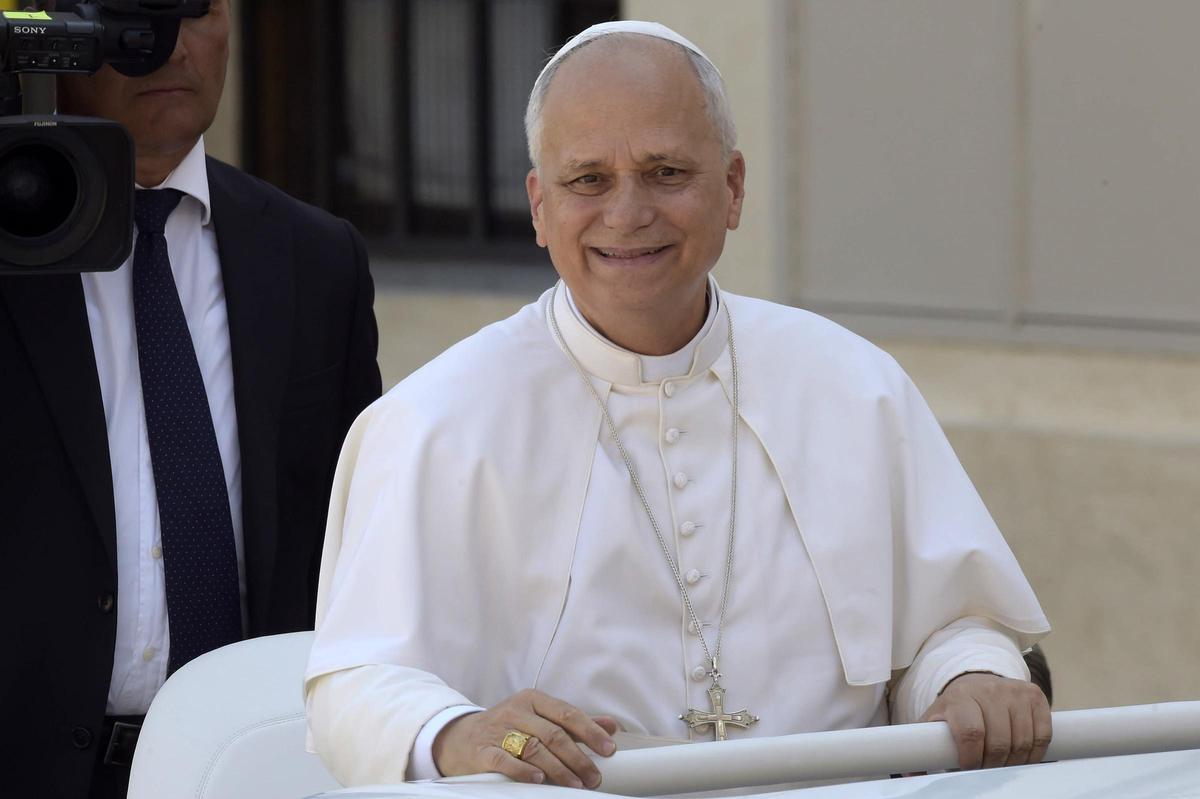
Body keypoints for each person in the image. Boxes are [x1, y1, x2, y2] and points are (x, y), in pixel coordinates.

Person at [304, 20, 1050, 791]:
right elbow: (358, 683)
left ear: (733, 187)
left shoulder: (853, 385)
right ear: (538, 206)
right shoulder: (435, 421)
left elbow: (949, 628)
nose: (627, 213)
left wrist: (970, 677)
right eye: (587, 179)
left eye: (665, 172)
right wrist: (455, 732)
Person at [0, 1, 382, 797]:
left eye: (196, 8)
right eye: (133, 12)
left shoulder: (319, 260)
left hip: (257, 766)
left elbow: (361, 545)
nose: (169, 45)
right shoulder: (10, 243)